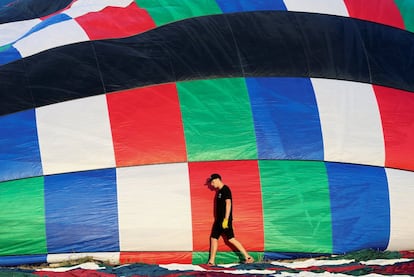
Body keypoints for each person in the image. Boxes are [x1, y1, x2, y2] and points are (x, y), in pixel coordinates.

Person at [206, 173, 254, 265]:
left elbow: (228, 204)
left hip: (224, 220)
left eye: (212, 182)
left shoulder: (225, 189)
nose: (211, 185)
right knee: (213, 238)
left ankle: (248, 257)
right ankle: (211, 261)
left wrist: (226, 219)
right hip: (218, 220)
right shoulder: (219, 191)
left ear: (217, 179)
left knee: (231, 239)